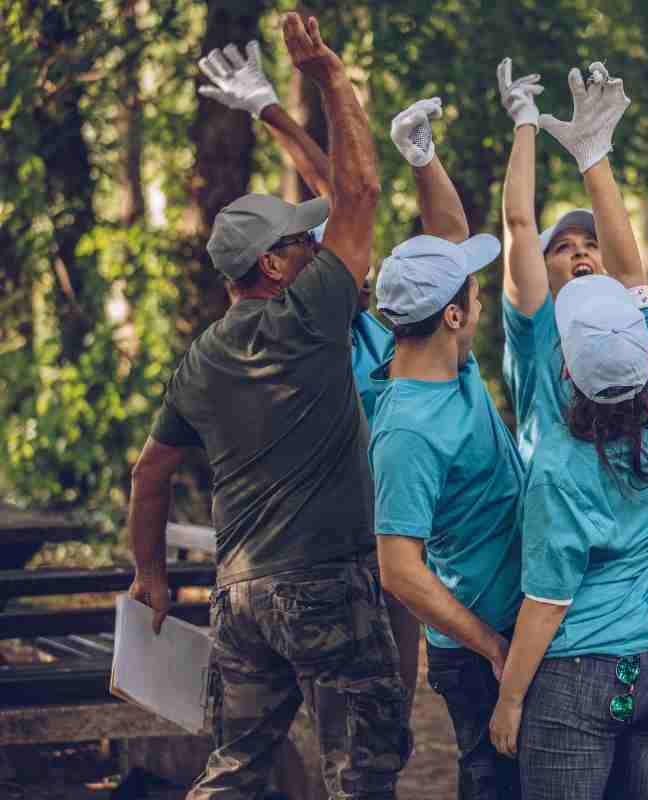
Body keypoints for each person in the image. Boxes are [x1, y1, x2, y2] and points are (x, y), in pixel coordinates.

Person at [127, 15, 412, 799]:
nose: (316, 248)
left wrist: (151, 573)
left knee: (235, 773)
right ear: (272, 266)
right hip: (326, 588)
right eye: (298, 243)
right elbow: (358, 192)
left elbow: (149, 475)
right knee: (363, 774)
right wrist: (332, 80)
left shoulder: (199, 360)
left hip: (242, 594)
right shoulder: (310, 316)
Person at [194, 42, 471, 704]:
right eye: (312, 252)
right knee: (339, 713)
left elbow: (336, 192)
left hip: (394, 534)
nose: (344, 260)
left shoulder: (375, 329)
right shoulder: (303, 336)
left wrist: (270, 109)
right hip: (329, 554)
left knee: (388, 707)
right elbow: (344, 196)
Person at [487, 64, 648, 800]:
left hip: (575, 655)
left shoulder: (559, 466)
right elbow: (525, 231)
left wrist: (510, 697)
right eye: (564, 246)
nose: (581, 251)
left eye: (589, 244)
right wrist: (590, 153)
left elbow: (548, 598)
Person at [369, 229, 524, 800]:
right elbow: (399, 570)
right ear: (453, 315)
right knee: (494, 786)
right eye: (476, 298)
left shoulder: (453, 365)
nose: (481, 308)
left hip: (518, 621)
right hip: (480, 646)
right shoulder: (407, 433)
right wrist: (492, 645)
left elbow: (447, 222)